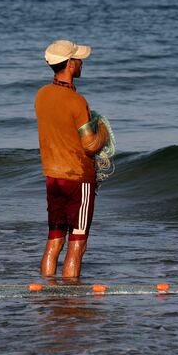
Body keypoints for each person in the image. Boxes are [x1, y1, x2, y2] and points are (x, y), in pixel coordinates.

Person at [34, 39, 110, 278]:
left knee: (54, 239)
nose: (81, 63)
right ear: (69, 64)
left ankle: (47, 291)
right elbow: (90, 145)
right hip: (78, 179)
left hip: (52, 177)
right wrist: (104, 131)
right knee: (78, 243)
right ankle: (72, 302)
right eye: (78, 59)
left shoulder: (41, 95)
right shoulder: (77, 101)